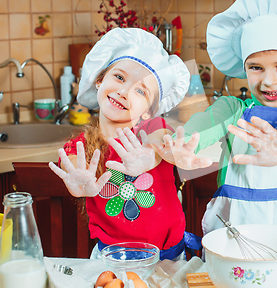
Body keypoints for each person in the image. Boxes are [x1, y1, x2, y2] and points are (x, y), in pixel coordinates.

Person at [153, 0, 277, 236]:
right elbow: (207, 122)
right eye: (256, 68)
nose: (269, 81)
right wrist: (183, 143)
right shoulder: (232, 109)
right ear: (244, 69)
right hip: (225, 236)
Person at [48, 27, 196, 260]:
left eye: (140, 91)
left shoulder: (153, 131)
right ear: (99, 80)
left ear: (149, 111)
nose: (124, 91)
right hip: (111, 261)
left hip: (168, 260)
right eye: (119, 77)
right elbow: (74, 163)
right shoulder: (81, 146)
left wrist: (152, 155)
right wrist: (79, 182)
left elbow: (160, 141)